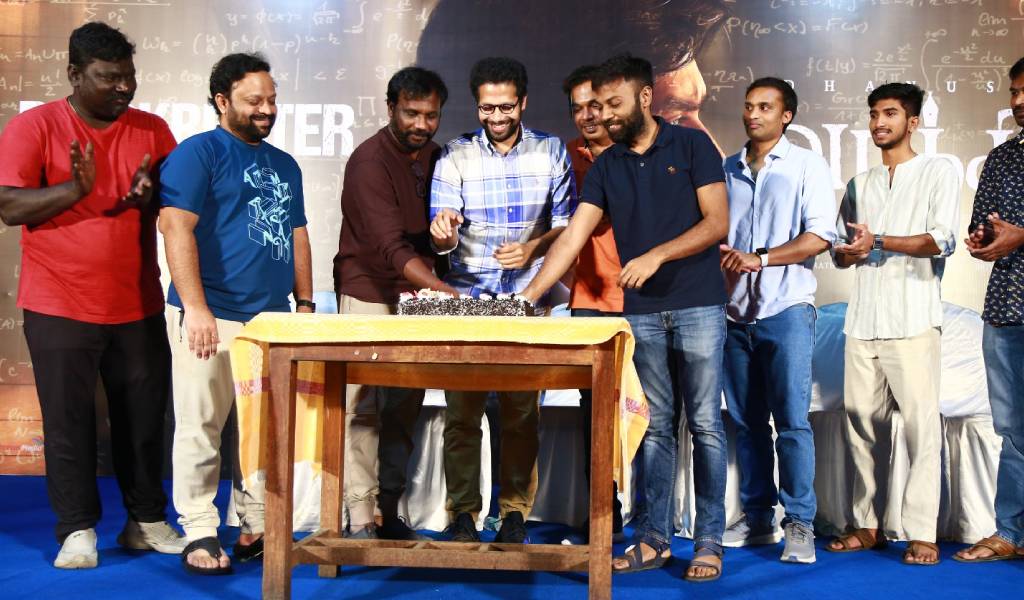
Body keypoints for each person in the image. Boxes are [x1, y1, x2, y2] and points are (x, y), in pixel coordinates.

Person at [521, 54, 730, 582]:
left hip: (699, 304)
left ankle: (708, 541)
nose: (604, 115)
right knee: (654, 427)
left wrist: (658, 254)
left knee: (705, 424)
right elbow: (573, 237)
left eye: (614, 104)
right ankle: (654, 539)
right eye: (597, 106)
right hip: (642, 313)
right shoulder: (607, 165)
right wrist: (528, 298)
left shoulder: (692, 145)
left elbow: (717, 223)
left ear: (644, 98)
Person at [0, 22, 185, 569]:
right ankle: (77, 529)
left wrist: (153, 198)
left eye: (129, 76)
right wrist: (74, 190)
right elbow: (8, 206)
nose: (123, 87)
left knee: (144, 420)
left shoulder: (153, 129)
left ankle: (145, 522)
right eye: (109, 77)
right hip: (58, 303)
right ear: (75, 75)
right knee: (69, 422)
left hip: (137, 303)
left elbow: (177, 208)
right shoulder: (34, 126)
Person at [159, 52, 313, 575]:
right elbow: (175, 227)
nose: (267, 109)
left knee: (263, 431)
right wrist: (196, 309)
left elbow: (297, 235)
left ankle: (255, 524)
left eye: (272, 99)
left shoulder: (285, 164)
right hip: (211, 313)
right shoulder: (197, 154)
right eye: (254, 101)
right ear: (222, 101)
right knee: (201, 426)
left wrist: (305, 304)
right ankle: (200, 529)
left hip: (271, 320)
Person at [429, 56, 574, 544]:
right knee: (462, 417)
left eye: (505, 107)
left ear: (523, 103)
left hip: (528, 301)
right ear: (477, 106)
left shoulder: (551, 151)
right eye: (487, 108)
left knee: (521, 416)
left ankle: (514, 514)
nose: (496, 117)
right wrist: (444, 233)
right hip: (467, 301)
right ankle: (463, 516)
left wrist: (533, 247)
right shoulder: (455, 155)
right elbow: (443, 235)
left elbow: (568, 226)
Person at [828, 83, 959, 566]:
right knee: (861, 427)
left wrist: (878, 241)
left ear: (913, 122)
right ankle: (867, 524)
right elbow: (842, 253)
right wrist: (846, 252)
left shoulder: (938, 170)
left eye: (890, 113)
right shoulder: (858, 183)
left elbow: (941, 240)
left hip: (914, 318)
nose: (879, 122)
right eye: (874, 114)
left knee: (922, 431)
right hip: (863, 320)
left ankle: (922, 532)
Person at [333, 66, 456, 540]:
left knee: (405, 406)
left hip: (416, 298)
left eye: (431, 115)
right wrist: (444, 291)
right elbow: (390, 247)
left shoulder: (439, 157)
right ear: (390, 108)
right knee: (362, 407)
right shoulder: (369, 161)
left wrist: (445, 248)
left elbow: (439, 239)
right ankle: (361, 515)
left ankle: (389, 508)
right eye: (411, 113)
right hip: (368, 291)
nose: (421, 124)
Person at [719, 77, 837, 563]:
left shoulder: (807, 164)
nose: (754, 114)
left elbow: (821, 236)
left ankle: (800, 523)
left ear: (786, 116)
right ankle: (757, 516)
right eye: (749, 106)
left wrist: (761, 258)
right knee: (746, 424)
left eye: (765, 107)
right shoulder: (726, 168)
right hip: (732, 313)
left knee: (791, 422)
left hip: (786, 307)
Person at [955, 56, 1024, 564]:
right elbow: (984, 222)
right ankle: (1012, 531)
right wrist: (982, 238)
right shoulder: (1001, 157)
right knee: (1013, 430)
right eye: (1014, 92)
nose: (1018, 101)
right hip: (1006, 306)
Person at [557, 64, 625, 546]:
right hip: (588, 305)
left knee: (651, 412)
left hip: (643, 301)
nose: (586, 116)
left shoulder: (639, 153)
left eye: (595, 106)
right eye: (577, 108)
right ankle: (604, 513)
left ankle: (655, 517)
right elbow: (558, 227)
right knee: (593, 414)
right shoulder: (566, 157)